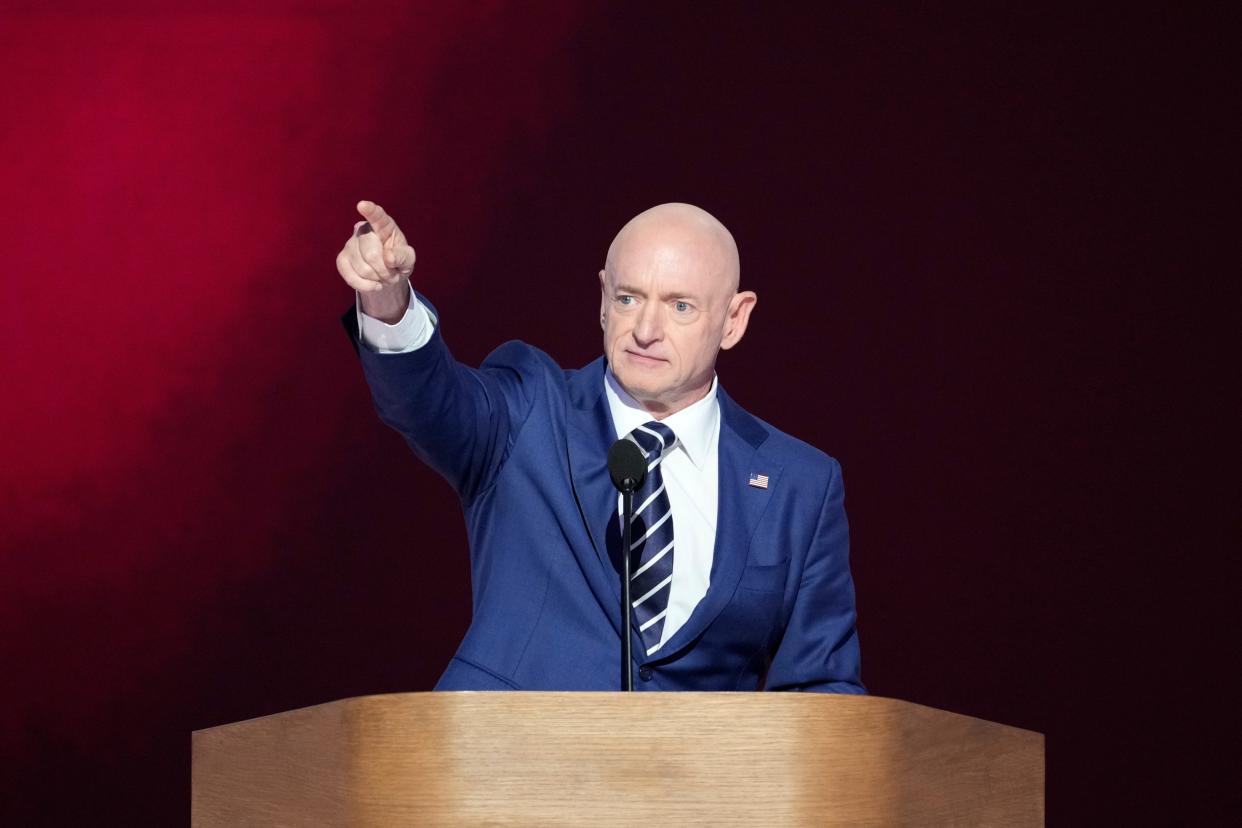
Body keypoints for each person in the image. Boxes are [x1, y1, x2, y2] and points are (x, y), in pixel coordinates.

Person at [337, 199, 863, 692]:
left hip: (693, 787)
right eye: (629, 298)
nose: (647, 330)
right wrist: (387, 303)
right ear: (604, 301)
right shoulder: (529, 410)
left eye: (681, 306)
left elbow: (822, 694)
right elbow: (427, 403)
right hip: (506, 772)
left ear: (734, 319)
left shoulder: (800, 483)